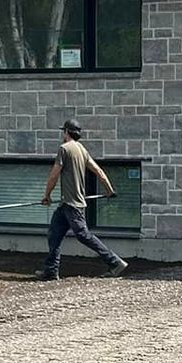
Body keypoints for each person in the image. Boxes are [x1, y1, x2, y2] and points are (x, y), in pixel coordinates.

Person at [39, 120, 128, 280]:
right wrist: (109, 190)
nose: (62, 134)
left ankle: (115, 262)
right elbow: (99, 171)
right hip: (66, 204)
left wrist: (47, 195)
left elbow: (54, 175)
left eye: (63, 131)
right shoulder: (82, 149)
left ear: (67, 132)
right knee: (54, 234)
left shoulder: (64, 149)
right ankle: (51, 271)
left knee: (83, 235)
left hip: (73, 205)